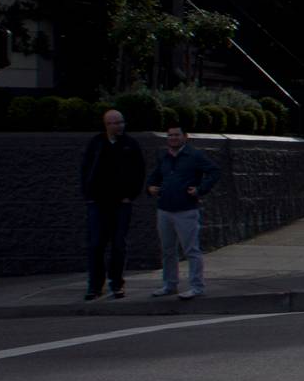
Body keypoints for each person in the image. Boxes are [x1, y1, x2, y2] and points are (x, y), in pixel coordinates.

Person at [146, 124, 222, 299]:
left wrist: (200, 189)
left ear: (185, 136)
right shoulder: (164, 156)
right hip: (164, 209)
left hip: (185, 210)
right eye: (170, 135)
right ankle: (169, 285)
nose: (173, 138)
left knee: (191, 250)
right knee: (167, 250)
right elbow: (155, 175)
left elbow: (214, 171)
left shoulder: (194, 155)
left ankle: (197, 286)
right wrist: (150, 187)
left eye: (176, 135)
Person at [79, 107, 146, 300]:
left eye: (121, 122)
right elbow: (86, 169)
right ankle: (94, 285)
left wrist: (130, 195)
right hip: (98, 202)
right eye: (116, 123)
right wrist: (88, 194)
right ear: (107, 125)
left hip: (121, 202)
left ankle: (117, 284)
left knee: (119, 244)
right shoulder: (97, 143)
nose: (120, 126)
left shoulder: (130, 144)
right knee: (96, 244)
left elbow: (138, 171)